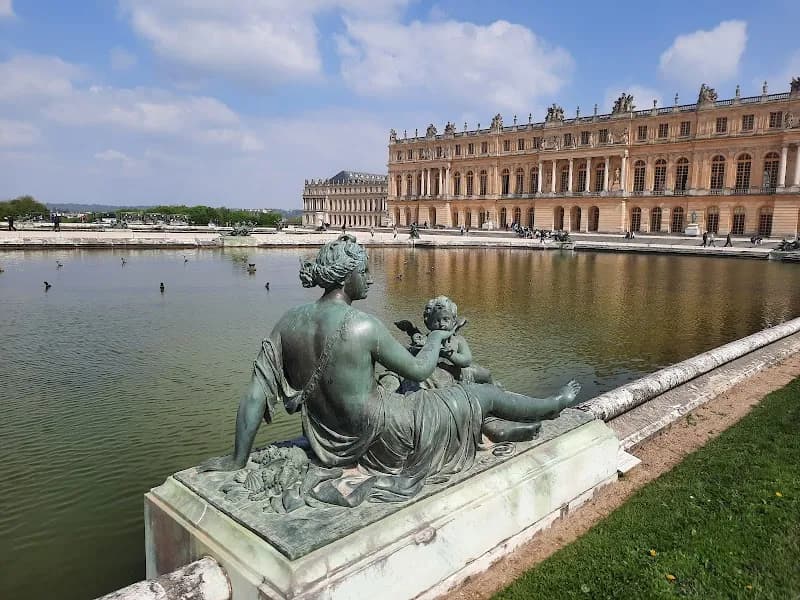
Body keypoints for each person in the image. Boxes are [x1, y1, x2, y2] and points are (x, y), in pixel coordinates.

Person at [199, 235, 581, 504]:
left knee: (440, 393)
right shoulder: (363, 325)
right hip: (385, 432)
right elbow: (417, 369)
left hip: (329, 439)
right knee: (482, 394)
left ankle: (502, 425)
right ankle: (552, 405)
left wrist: (237, 458)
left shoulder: (287, 322)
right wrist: (435, 337)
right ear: (346, 276)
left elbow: (253, 394)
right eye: (364, 271)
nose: (370, 278)